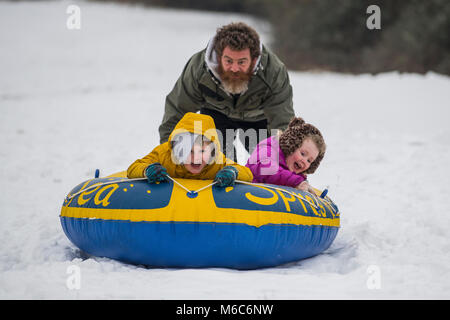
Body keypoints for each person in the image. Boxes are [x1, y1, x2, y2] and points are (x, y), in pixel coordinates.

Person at [159, 22, 295, 161]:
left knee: (269, 164)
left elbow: (283, 120)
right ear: (219, 58)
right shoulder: (199, 70)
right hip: (215, 116)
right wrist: (169, 152)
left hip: (258, 120)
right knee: (219, 163)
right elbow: (176, 111)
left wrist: (286, 161)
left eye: (241, 62)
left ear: (254, 60)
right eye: (228, 61)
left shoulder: (273, 71)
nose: (234, 68)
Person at [127, 112, 253, 187]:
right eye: (189, 151)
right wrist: (147, 171)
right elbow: (133, 168)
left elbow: (247, 173)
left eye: (202, 151)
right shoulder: (164, 154)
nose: (196, 158)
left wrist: (233, 172)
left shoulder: (217, 162)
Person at [245, 117, 326, 192]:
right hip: (246, 193)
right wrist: (296, 181)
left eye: (309, 161)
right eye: (303, 153)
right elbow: (266, 169)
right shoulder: (268, 148)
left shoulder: (295, 175)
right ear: (292, 145)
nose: (304, 161)